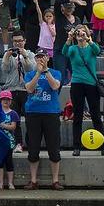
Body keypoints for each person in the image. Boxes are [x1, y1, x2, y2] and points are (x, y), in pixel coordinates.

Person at [62, 24, 104, 156]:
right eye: (78, 33)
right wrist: (69, 38)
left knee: (95, 115)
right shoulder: (73, 48)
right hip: (77, 84)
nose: (80, 35)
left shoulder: (91, 48)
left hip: (91, 84)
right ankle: (76, 146)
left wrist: (88, 38)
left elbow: (97, 50)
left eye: (83, 33)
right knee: (77, 115)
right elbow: (64, 52)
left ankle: (103, 146)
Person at [23, 51, 63, 191]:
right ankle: (33, 180)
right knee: (33, 147)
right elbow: (29, 89)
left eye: (43, 57)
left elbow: (55, 86)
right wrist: (38, 73)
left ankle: (55, 180)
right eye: (38, 57)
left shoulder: (56, 72)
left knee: (54, 147)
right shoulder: (29, 74)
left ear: (47, 58)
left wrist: (45, 71)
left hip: (51, 113)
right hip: (33, 113)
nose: (40, 59)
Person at [0, 90, 20, 190]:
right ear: (0, 101)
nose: (6, 101)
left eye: (8, 100)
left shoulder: (13, 113)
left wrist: (3, 125)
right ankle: (1, 183)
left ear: (11, 101)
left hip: (9, 142)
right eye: (4, 99)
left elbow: (13, 127)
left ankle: (10, 183)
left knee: (9, 162)